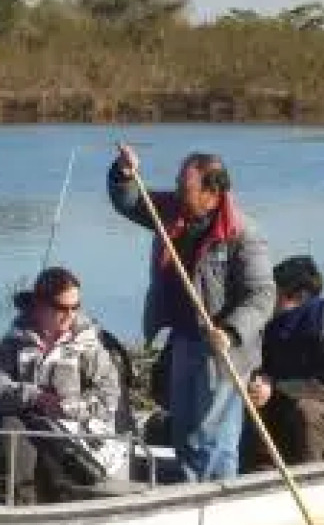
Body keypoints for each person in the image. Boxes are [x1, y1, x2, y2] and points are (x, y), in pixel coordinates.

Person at [107, 145, 274, 482]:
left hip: (225, 350)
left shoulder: (242, 233)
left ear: (213, 193)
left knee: (212, 436)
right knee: (183, 429)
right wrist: (123, 173)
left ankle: (216, 500)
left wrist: (229, 330)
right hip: (185, 338)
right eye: (179, 186)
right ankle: (188, 495)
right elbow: (129, 202)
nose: (180, 194)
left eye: (188, 189)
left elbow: (262, 295)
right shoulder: (171, 212)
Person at [0, 267, 130, 503]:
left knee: (46, 441)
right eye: (62, 308)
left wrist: (67, 408)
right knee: (12, 428)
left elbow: (109, 398)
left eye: (75, 307)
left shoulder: (90, 346)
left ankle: (62, 499)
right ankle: (19, 504)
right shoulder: (15, 340)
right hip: (29, 428)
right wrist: (34, 396)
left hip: (79, 437)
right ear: (39, 305)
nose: (69, 315)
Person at [242, 255, 324, 471]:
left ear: (298, 296)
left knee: (306, 411)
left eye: (274, 292)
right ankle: (252, 469)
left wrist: (275, 387)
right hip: (284, 410)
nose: (267, 297)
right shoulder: (272, 325)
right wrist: (256, 381)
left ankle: (309, 478)